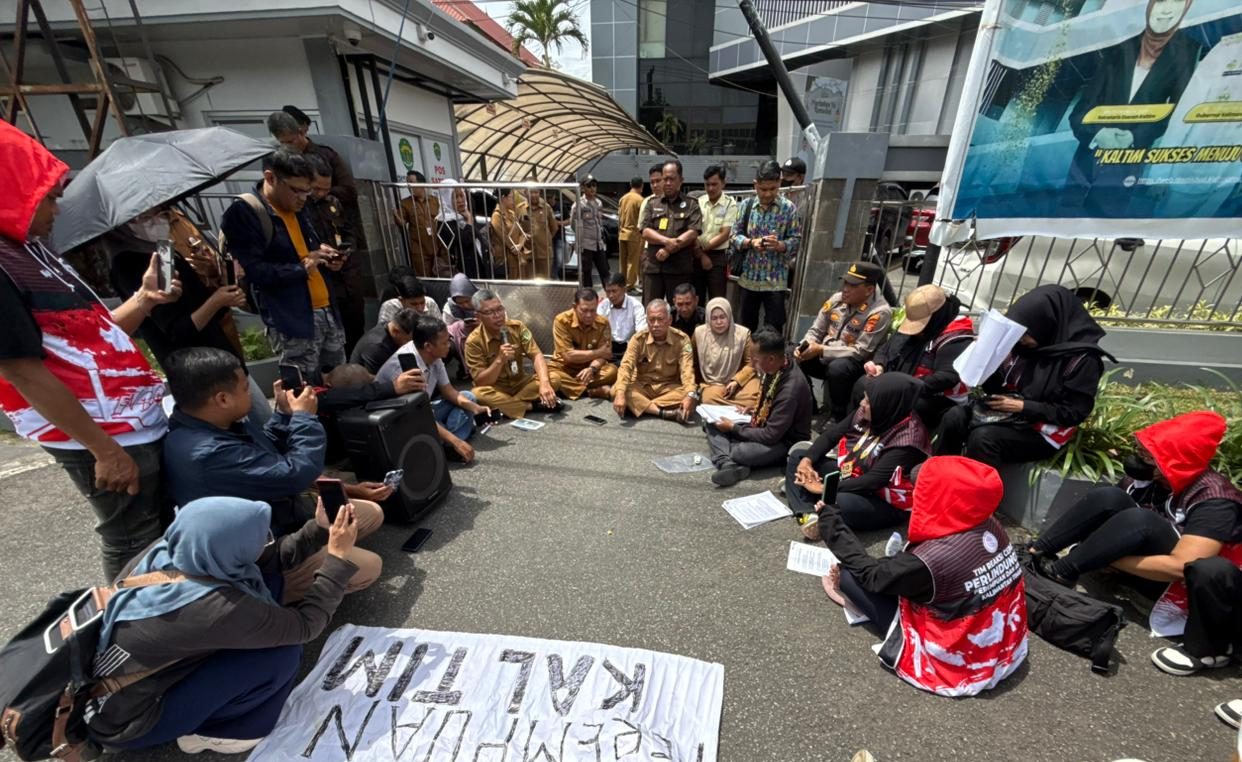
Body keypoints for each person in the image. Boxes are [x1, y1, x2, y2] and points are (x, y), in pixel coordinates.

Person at [0, 121, 175, 577]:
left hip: (132, 417)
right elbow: (23, 372)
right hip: (105, 432)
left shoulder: (32, 251)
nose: (58, 208)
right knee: (133, 538)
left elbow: (95, 337)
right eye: (49, 196)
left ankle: (174, 623)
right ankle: (136, 641)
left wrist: (144, 300)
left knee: (159, 531)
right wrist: (104, 451)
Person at [85, 497, 360, 754]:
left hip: (131, 680)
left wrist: (320, 528)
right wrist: (336, 559)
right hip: (130, 721)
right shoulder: (219, 608)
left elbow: (267, 559)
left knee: (267, 580)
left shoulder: (177, 549)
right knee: (281, 656)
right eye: (262, 537)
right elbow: (306, 626)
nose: (266, 542)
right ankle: (215, 732)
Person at [160, 347, 386, 601]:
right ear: (223, 399)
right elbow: (295, 475)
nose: (251, 393)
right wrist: (304, 418)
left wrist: (283, 415)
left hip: (280, 522)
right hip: (261, 558)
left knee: (370, 513)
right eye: (245, 388)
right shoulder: (208, 454)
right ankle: (270, 599)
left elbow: (262, 454)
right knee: (368, 566)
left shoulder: (210, 424)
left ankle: (325, 552)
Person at [1027, 411, 1242, 676]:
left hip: (1180, 587)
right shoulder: (1149, 479)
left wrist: (1101, 556)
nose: (1138, 458)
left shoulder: (1214, 498)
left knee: (1142, 519)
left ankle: (1062, 572)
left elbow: (1183, 566)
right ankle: (1036, 552)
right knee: (1109, 497)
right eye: (1139, 450)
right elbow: (1109, 519)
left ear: (1177, 461)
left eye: (1148, 455)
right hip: (1138, 567)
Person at [818, 455, 1029, 698]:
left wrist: (831, 522)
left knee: (850, 576)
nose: (916, 494)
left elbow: (873, 576)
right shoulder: (989, 524)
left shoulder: (931, 558)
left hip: (957, 652)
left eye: (921, 490)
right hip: (1001, 636)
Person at [105, 207, 265, 422]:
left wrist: (219, 290)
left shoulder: (164, 253)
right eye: (145, 216)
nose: (158, 220)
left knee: (263, 425)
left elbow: (200, 307)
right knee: (252, 433)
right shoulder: (130, 264)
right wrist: (215, 301)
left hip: (223, 358)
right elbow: (178, 331)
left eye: (161, 213)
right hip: (200, 375)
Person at [935, 284, 1111, 466]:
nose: (1021, 339)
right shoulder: (1022, 347)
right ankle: (940, 476)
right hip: (1007, 415)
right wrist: (985, 358)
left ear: (1048, 325)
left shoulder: (1083, 360)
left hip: (1043, 430)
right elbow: (999, 388)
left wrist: (1023, 406)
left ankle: (977, 491)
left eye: (1026, 333)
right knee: (954, 417)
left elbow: (1074, 413)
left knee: (983, 438)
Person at [1065, 0, 1201, 216]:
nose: (1166, 10)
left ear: (1186, 7)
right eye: (1161, 1)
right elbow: (1082, 110)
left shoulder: (1187, 51)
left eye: (1176, 1)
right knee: (1066, 219)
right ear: (1149, 5)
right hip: (1084, 166)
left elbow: (1179, 112)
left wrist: (1134, 137)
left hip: (1128, 167)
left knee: (1107, 220)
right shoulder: (1121, 47)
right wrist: (1098, 134)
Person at [220, 148, 345, 383]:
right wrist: (302, 268)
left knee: (339, 382)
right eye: (297, 190)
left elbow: (307, 248)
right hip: (294, 320)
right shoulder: (245, 213)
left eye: (307, 192)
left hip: (327, 310)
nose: (303, 198)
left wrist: (325, 255)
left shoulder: (300, 207)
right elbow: (257, 272)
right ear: (270, 178)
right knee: (303, 389)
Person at [787, 373, 931, 531]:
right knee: (799, 456)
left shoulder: (908, 440)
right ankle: (807, 513)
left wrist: (823, 488)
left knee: (840, 501)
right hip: (853, 473)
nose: (862, 403)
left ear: (885, 405)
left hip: (881, 498)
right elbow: (830, 436)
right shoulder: (869, 412)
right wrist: (806, 462)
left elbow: (873, 481)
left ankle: (808, 494)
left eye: (868, 401)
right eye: (864, 398)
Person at [706, 329, 813, 487]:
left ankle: (728, 459)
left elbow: (771, 435)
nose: (753, 364)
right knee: (711, 422)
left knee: (740, 452)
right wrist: (754, 408)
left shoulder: (790, 389)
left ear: (770, 359)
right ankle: (728, 463)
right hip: (762, 422)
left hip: (784, 441)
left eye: (755, 360)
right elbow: (770, 399)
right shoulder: (780, 362)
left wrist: (734, 429)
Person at [379, 316, 491, 464]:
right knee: (445, 425)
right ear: (428, 346)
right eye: (444, 343)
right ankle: (450, 441)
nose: (449, 346)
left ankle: (443, 441)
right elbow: (419, 415)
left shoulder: (435, 356)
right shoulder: (407, 366)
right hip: (400, 420)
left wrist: (476, 408)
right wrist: (456, 440)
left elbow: (448, 391)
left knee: (468, 397)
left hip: (423, 409)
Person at [861, 285, 972, 429]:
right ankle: (856, 436)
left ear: (934, 317)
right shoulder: (919, 320)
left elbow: (947, 377)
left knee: (907, 405)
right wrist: (879, 365)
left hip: (937, 396)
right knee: (863, 385)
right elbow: (887, 349)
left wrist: (902, 386)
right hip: (903, 383)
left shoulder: (956, 335)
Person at [795, 261, 892, 422]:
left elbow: (861, 351)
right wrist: (805, 345)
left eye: (853, 285)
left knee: (838, 368)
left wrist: (821, 350)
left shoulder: (879, 312)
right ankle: (809, 405)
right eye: (845, 282)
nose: (845, 288)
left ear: (869, 290)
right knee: (791, 352)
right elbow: (816, 330)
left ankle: (837, 416)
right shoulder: (836, 300)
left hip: (854, 364)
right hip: (824, 353)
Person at [463, 289, 561, 418]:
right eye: (489, 312)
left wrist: (544, 384)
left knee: (554, 378)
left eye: (499, 309)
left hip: (521, 383)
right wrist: (499, 360)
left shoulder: (517, 327)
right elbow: (481, 381)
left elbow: (536, 355)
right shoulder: (473, 342)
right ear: (478, 316)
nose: (497, 315)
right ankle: (530, 406)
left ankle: (507, 406)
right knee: (478, 394)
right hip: (497, 388)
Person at [304, 153, 365, 356]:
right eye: (316, 188)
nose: (321, 193)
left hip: (347, 278)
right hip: (321, 281)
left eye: (326, 188)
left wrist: (344, 254)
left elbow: (349, 232)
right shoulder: (299, 209)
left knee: (356, 327)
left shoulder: (333, 203)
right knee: (332, 339)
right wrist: (320, 256)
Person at [732, 161, 802, 333]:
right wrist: (750, 242)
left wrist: (780, 245)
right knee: (745, 328)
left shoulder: (788, 209)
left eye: (772, 189)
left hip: (775, 281)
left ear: (779, 183)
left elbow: (796, 239)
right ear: (755, 185)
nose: (768, 194)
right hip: (749, 278)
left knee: (774, 328)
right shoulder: (746, 206)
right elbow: (733, 236)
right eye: (763, 189)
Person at [612, 299, 696, 422]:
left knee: (690, 395)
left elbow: (687, 370)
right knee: (617, 390)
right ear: (647, 321)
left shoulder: (682, 340)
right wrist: (620, 394)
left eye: (660, 319)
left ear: (669, 320)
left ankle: (641, 406)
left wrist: (690, 395)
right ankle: (662, 412)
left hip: (669, 388)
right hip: (642, 386)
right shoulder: (638, 339)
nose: (655, 324)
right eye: (651, 320)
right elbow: (626, 366)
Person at [267, 110, 357, 212]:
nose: (287, 146)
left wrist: (321, 193)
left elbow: (349, 189)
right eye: (282, 143)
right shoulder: (280, 161)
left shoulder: (327, 155)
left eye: (290, 141)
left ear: (301, 132)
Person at [639, 160, 703, 304]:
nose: (667, 183)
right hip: (654, 267)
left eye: (672, 179)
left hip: (679, 268)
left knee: (680, 310)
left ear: (681, 180)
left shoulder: (691, 204)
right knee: (651, 308)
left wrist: (669, 249)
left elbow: (693, 232)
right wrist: (667, 241)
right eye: (665, 179)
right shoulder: (652, 203)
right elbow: (645, 231)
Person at [546, 288, 618, 401]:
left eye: (593, 310)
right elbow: (568, 356)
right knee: (549, 375)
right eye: (584, 311)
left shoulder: (603, 323)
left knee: (612, 371)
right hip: (564, 368)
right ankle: (590, 391)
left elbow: (605, 356)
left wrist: (592, 369)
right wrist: (598, 352)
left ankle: (568, 388)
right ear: (574, 307)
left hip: (588, 368)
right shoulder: (561, 321)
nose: (589, 315)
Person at [695, 298, 761, 409]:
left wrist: (736, 381)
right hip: (713, 384)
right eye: (714, 318)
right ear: (708, 319)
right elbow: (694, 363)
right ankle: (740, 406)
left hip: (738, 382)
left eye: (722, 317)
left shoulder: (743, 334)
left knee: (755, 394)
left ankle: (726, 404)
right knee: (708, 398)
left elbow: (751, 363)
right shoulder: (699, 333)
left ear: (729, 316)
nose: (719, 322)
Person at [393, 170, 447, 277]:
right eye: (408, 183)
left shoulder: (435, 201)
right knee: (425, 280)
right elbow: (402, 223)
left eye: (412, 183)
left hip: (438, 248)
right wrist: (395, 215)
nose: (409, 186)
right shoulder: (405, 204)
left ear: (421, 184)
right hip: (420, 251)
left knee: (444, 277)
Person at [696, 164, 738, 300]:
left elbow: (725, 234)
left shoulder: (730, 204)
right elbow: (692, 231)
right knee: (697, 298)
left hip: (718, 258)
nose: (710, 188)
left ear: (723, 183)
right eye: (707, 184)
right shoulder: (699, 202)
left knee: (717, 299)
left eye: (714, 184)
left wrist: (704, 251)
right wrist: (701, 255)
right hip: (696, 254)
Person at [435, 179, 490, 278]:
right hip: (463, 272)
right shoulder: (445, 222)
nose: (461, 200)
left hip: (477, 268)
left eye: (461, 195)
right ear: (446, 199)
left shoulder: (461, 216)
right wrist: (469, 220)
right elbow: (466, 240)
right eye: (455, 197)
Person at [349, 308, 418, 374]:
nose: (412, 344)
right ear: (395, 331)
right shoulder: (377, 346)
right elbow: (375, 380)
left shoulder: (391, 327)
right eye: (409, 340)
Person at [571, 175, 609, 288]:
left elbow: (599, 222)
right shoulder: (579, 204)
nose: (592, 188)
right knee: (586, 273)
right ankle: (589, 298)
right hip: (586, 245)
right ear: (583, 188)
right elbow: (574, 224)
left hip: (598, 243)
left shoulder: (598, 203)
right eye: (589, 186)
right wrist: (581, 238)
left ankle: (610, 296)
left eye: (594, 185)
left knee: (605, 271)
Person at [490, 189, 529, 279]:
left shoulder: (512, 213)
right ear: (503, 198)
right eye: (511, 197)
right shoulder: (497, 216)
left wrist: (520, 245)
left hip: (518, 257)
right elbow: (505, 238)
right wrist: (516, 248)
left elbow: (522, 232)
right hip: (507, 260)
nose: (513, 200)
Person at [526, 190, 561, 279]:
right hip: (527, 254)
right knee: (529, 283)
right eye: (531, 192)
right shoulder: (520, 208)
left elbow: (554, 228)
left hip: (544, 254)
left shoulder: (546, 208)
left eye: (536, 192)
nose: (534, 195)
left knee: (545, 282)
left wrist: (546, 240)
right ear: (525, 192)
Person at [618, 176, 645, 292]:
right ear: (642, 186)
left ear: (630, 184)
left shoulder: (623, 198)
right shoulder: (640, 200)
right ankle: (629, 286)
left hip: (622, 232)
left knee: (622, 261)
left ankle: (621, 284)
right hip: (634, 233)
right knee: (632, 261)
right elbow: (642, 220)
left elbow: (619, 217)